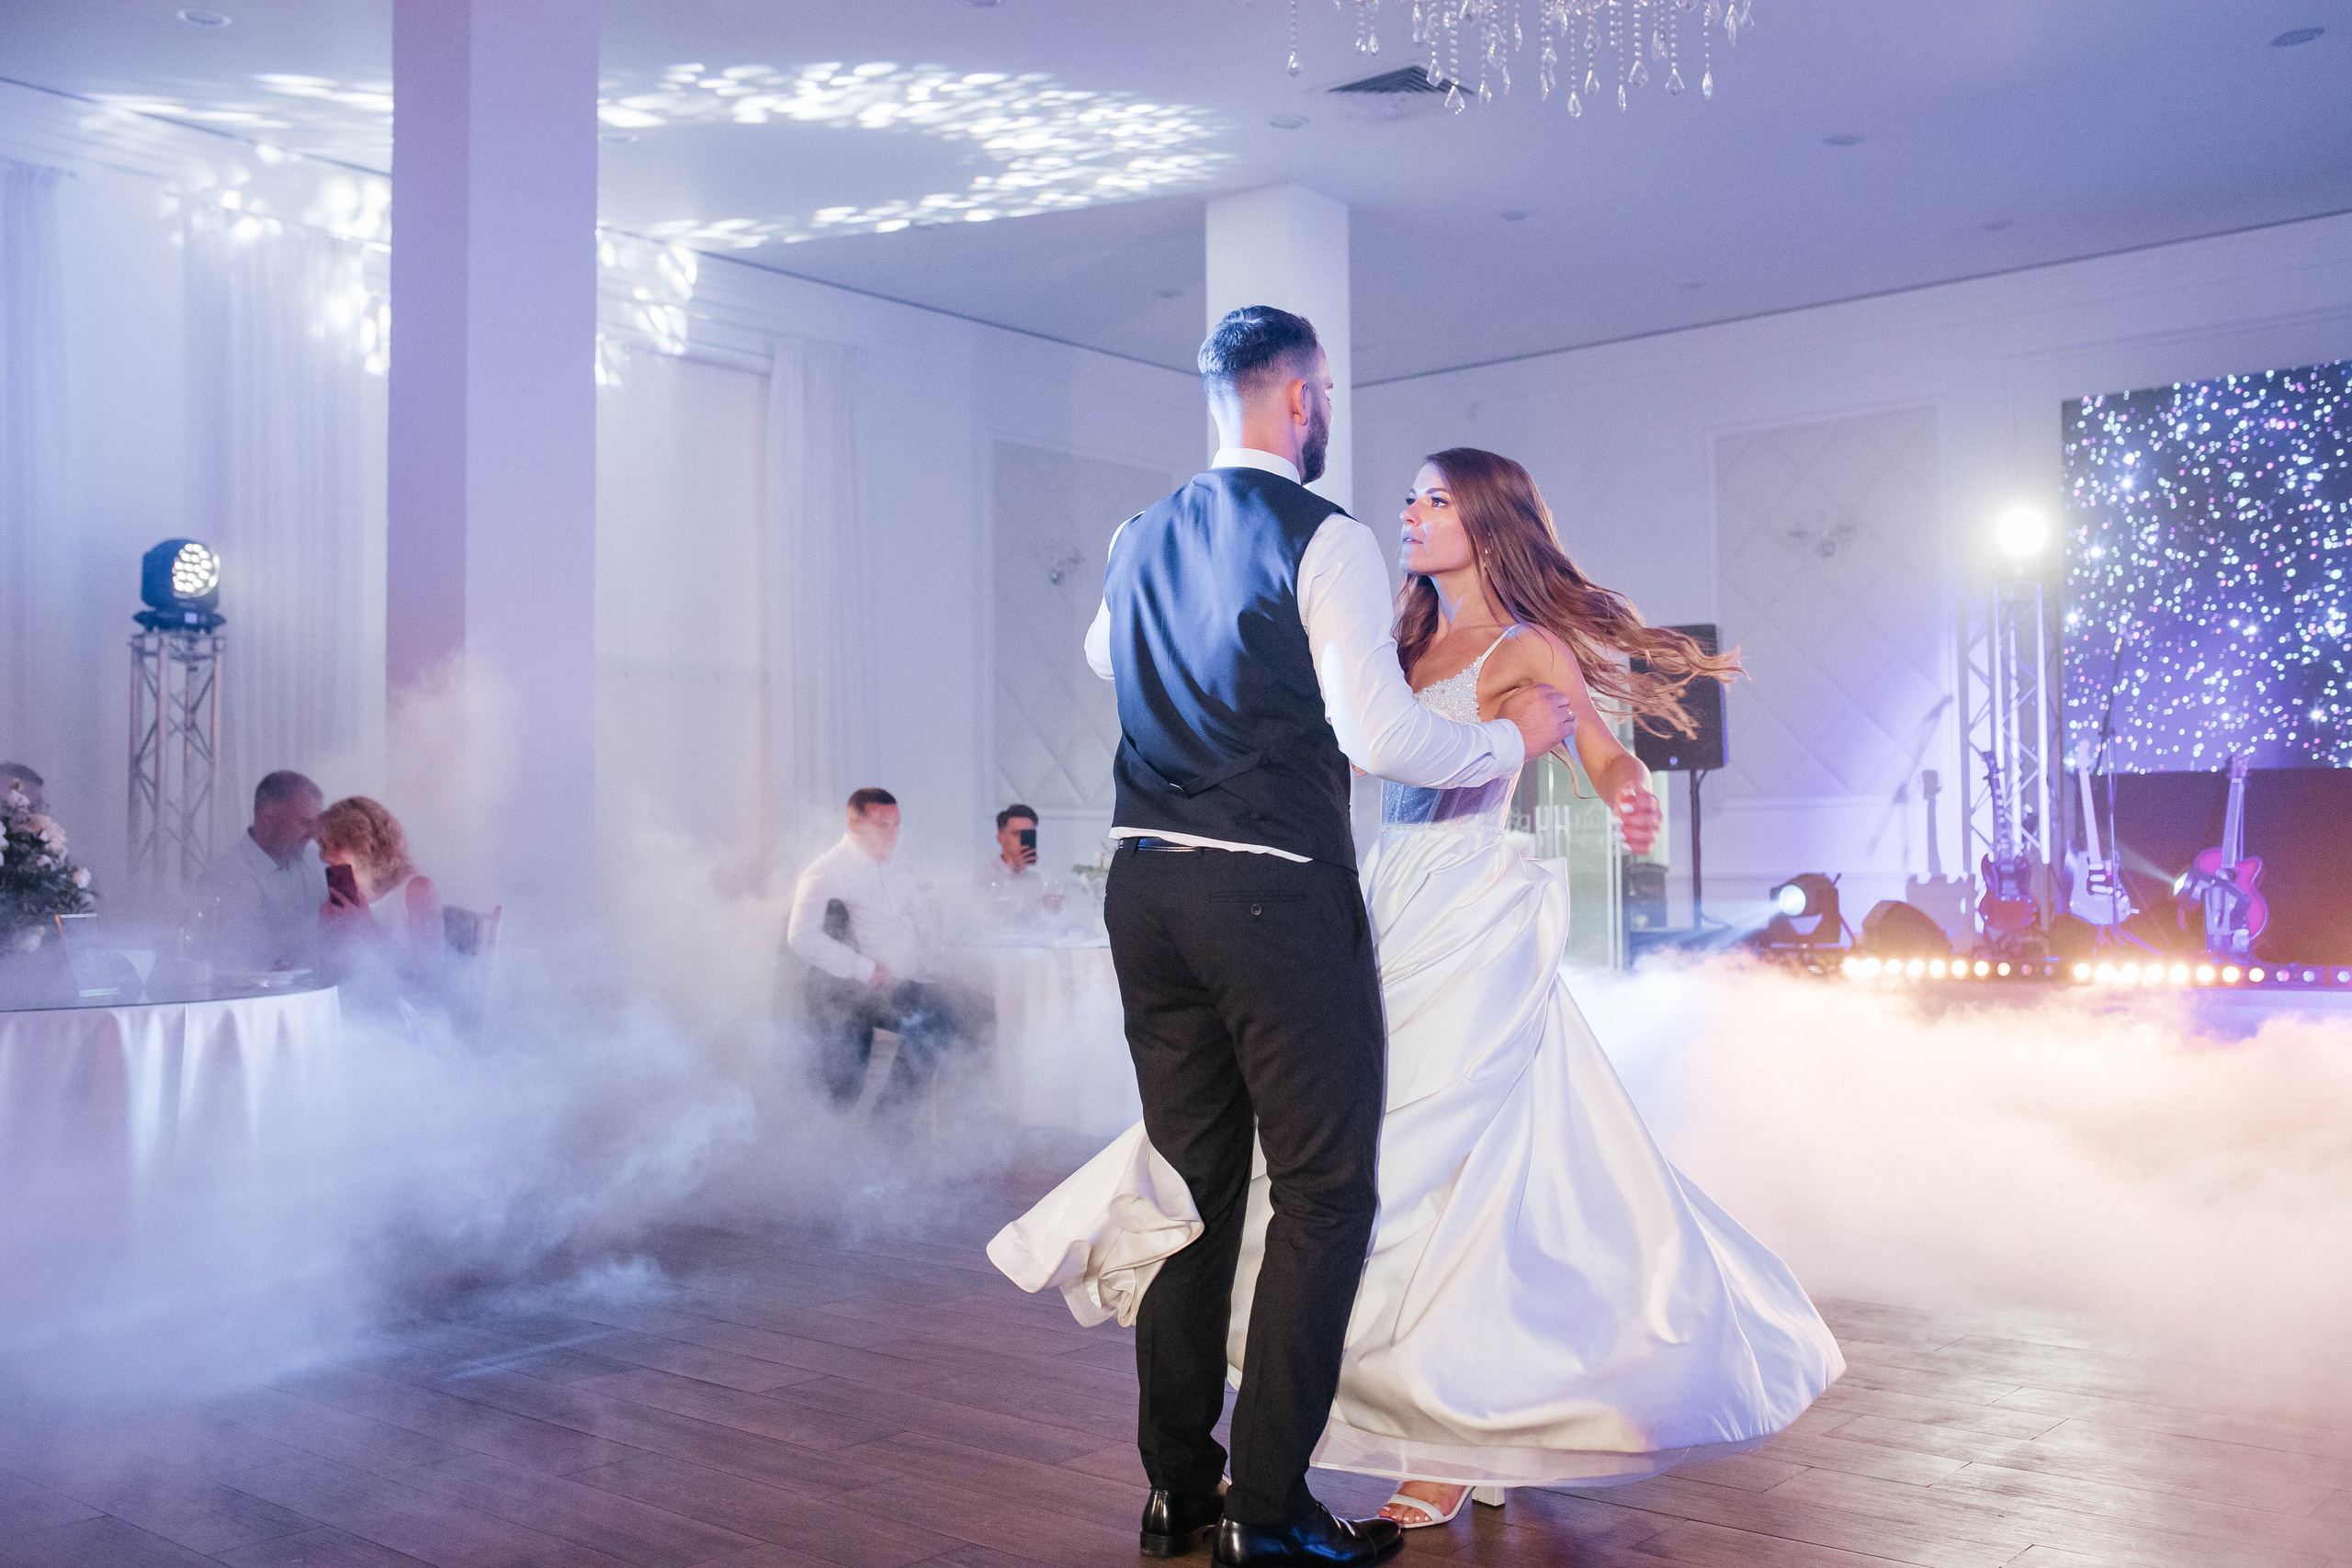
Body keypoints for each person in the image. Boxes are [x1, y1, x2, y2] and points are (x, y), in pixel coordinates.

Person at [991, 446, 1845, 1535]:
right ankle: (1414, 1415)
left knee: (1442, 1167)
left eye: (1436, 500)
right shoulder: (1392, 640)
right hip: (1378, 896)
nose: (1410, 513)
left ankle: (1448, 1435)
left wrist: (1630, 795)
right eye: (1409, 497)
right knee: (1350, 1160)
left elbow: (1596, 749)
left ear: (1487, 522)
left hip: (1472, 910)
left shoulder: (1524, 644)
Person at [997, 307, 1576, 1568]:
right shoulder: (1328, 536)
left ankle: (1178, 1489)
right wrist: (1508, 740)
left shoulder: (1138, 534)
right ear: (1302, 398)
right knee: (1324, 1190)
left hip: (1144, 888)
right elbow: (1380, 738)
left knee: (1190, 1189)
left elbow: (1104, 655)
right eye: (1326, 400)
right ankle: (1269, 1507)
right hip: (1270, 890)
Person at [787, 787, 964, 1108]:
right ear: (853, 826)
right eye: (882, 826)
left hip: (902, 984)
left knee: (958, 1015)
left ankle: (895, 1116)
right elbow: (801, 937)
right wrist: (866, 969)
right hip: (854, 992)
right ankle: (882, 1118)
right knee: (844, 1092)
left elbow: (921, 923)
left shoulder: (896, 866)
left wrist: (937, 967)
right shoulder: (825, 871)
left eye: (896, 825)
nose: (892, 835)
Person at [187, 770, 328, 971]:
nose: (313, 834)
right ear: (268, 819)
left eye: (316, 824)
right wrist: (323, 921)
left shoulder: (318, 863)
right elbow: (249, 958)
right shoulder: (225, 877)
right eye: (305, 823)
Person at [316, 795, 443, 962]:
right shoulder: (342, 896)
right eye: (323, 846)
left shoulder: (418, 890)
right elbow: (329, 972)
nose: (324, 857)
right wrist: (327, 933)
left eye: (337, 846)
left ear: (367, 845)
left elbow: (432, 973)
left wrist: (366, 928)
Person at [975, 804, 1064, 919]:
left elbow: (1035, 923)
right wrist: (1011, 868)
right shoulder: (985, 875)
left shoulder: (1034, 879)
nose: (1022, 840)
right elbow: (986, 920)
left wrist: (1050, 910)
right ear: (1000, 838)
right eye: (1016, 834)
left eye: (1028, 834)